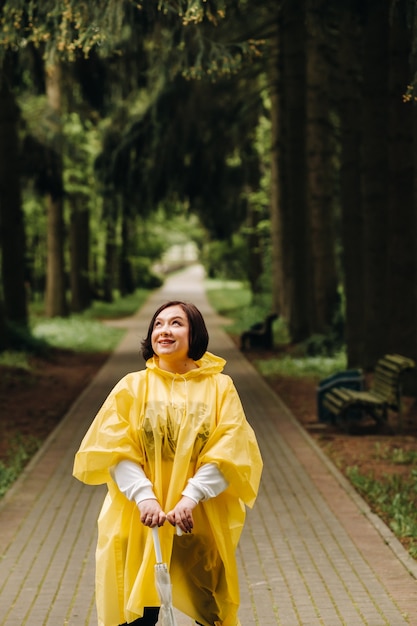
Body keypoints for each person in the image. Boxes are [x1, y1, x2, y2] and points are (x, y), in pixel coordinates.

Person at [73, 300, 263, 626]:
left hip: (197, 516)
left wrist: (190, 499)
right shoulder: (132, 387)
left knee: (211, 609)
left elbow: (229, 450)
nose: (165, 330)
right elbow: (117, 450)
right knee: (136, 612)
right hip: (137, 517)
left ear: (195, 334)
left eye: (176, 323)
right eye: (158, 323)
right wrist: (145, 497)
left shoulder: (220, 387)